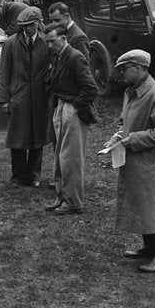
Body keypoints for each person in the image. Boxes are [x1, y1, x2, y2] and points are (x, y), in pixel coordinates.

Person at [107, 49, 155, 273]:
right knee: (141, 204)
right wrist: (119, 135)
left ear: (139, 69)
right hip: (136, 160)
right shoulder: (131, 92)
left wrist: (134, 139)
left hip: (153, 162)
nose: (121, 74)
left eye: (124, 69)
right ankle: (148, 248)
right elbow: (124, 120)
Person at [43, 23, 99, 215]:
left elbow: (91, 89)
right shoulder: (59, 56)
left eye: (53, 41)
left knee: (71, 159)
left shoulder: (75, 57)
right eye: (47, 42)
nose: (50, 45)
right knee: (60, 156)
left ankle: (74, 202)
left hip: (72, 110)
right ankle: (62, 197)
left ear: (64, 39)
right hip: (61, 106)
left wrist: (75, 107)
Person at [0, 5, 51, 187]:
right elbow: (4, 72)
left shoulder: (47, 42)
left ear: (39, 23)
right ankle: (18, 176)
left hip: (39, 97)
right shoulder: (11, 43)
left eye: (31, 25)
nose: (28, 29)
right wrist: (3, 99)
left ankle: (34, 175)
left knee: (38, 137)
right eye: (24, 26)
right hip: (18, 96)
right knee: (17, 137)